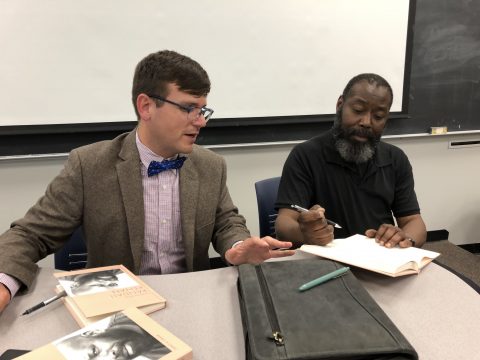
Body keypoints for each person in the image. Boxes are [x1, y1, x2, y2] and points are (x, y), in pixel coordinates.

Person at [0, 50, 294, 313]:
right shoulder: (89, 165)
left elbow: (227, 222)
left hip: (194, 301)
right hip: (116, 309)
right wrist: (3, 283)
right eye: (189, 108)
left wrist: (237, 245)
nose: (201, 121)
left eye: (203, 110)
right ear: (146, 107)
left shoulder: (210, 165)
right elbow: (30, 235)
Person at [275, 73, 427, 249]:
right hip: (326, 261)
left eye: (378, 116)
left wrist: (405, 237)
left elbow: (414, 222)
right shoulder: (305, 155)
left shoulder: (396, 159)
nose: (366, 122)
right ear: (340, 105)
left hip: (380, 260)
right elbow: (284, 224)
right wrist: (306, 233)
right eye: (357, 110)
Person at [54, 312, 170, 359]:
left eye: (94, 351)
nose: (111, 358)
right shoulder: (164, 356)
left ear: (92, 332)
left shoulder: (125, 311)